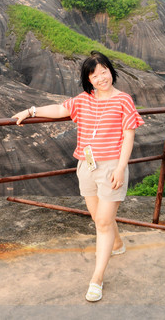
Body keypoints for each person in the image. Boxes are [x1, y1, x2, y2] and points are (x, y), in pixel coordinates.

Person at [12, 51, 144, 302]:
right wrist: (30, 111)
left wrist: (120, 168)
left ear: (111, 71)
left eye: (104, 71)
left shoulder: (123, 100)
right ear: (89, 80)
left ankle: (97, 279)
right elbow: (60, 109)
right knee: (98, 217)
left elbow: (129, 136)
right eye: (95, 75)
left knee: (103, 222)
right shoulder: (84, 100)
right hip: (86, 165)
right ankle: (117, 245)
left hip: (111, 166)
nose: (101, 77)